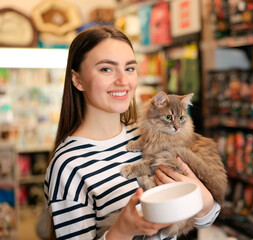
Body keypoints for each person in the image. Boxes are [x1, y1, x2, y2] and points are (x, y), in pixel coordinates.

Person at [44, 25, 221, 240]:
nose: (123, 80)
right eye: (106, 69)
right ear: (77, 80)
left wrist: (205, 202)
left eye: (129, 68)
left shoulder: (149, 136)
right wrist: (121, 232)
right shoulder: (68, 165)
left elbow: (205, 219)